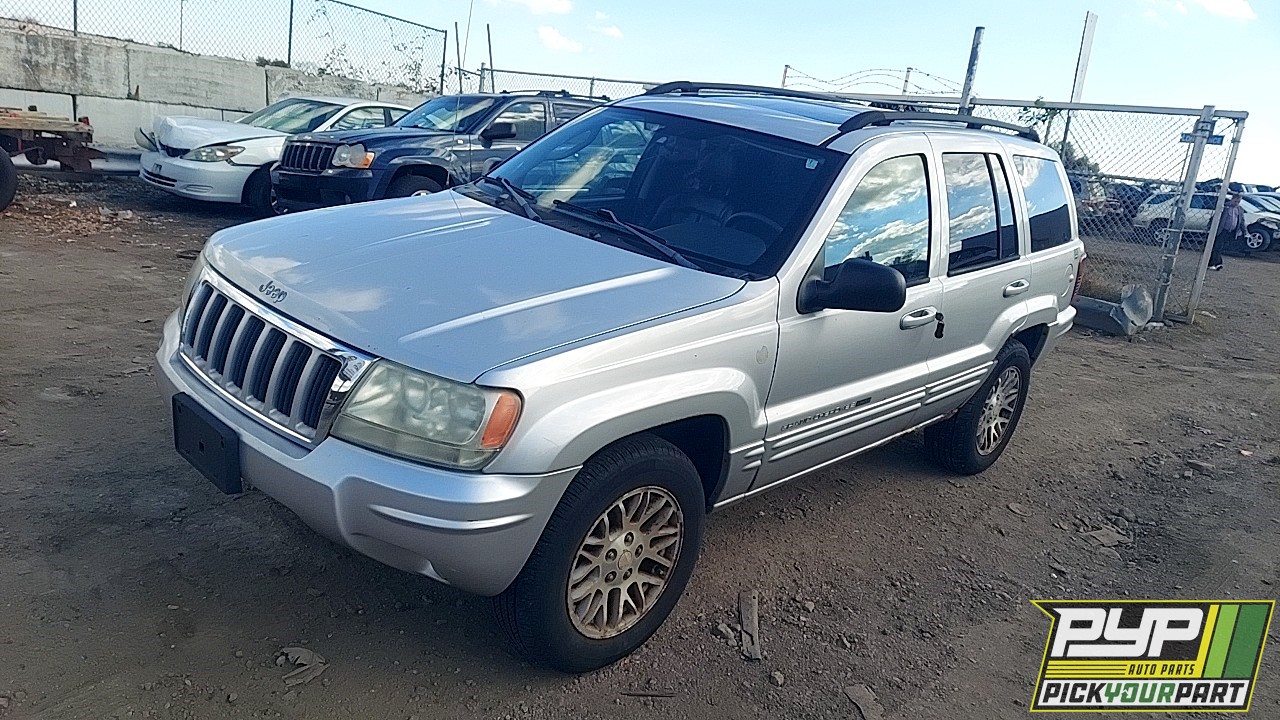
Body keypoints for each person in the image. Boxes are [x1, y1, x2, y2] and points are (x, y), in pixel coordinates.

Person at [1210, 193, 1243, 270]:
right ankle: (1217, 263)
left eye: (1238, 202)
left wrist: (1245, 232)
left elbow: (1241, 221)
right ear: (1232, 199)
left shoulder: (1239, 209)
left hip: (1231, 231)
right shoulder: (1225, 207)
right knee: (1218, 246)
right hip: (1222, 230)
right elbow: (1216, 217)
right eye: (1235, 201)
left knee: (1220, 248)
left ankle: (1214, 262)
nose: (1236, 203)